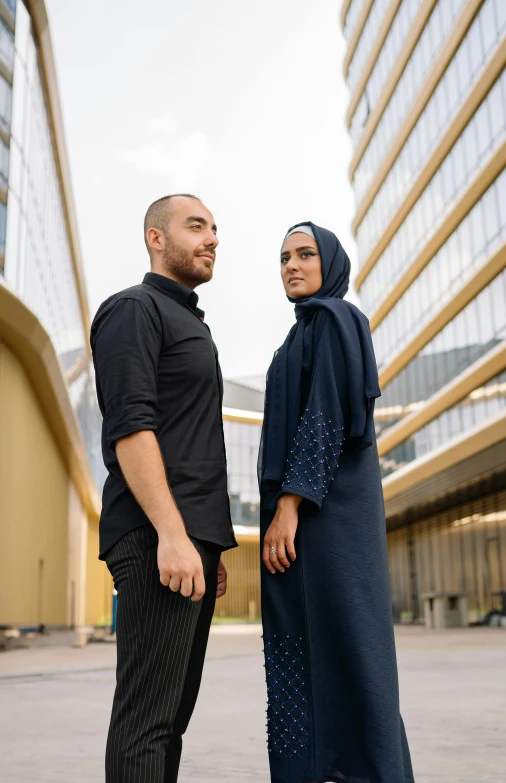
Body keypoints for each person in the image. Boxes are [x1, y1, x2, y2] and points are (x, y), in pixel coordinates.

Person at [258, 222, 414, 783]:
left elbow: (325, 418)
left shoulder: (336, 320)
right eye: (283, 258)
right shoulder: (296, 337)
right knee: (299, 648)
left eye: (305, 255)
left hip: (329, 518)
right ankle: (312, 771)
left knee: (349, 646)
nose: (292, 266)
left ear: (331, 263)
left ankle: (363, 771)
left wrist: (290, 506)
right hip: (300, 521)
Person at [90, 194, 237, 783]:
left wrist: (209, 544)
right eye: (195, 226)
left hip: (185, 541)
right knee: (146, 721)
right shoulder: (133, 308)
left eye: (214, 230)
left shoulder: (189, 321)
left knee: (170, 720)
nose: (211, 239)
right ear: (156, 238)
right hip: (154, 537)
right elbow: (131, 428)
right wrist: (173, 536)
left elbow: (193, 442)